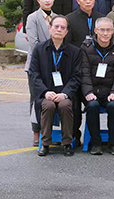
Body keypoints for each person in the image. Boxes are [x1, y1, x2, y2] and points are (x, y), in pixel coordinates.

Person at [29, 16, 80, 156]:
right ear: (49, 28)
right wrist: (45, 92)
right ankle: (45, 143)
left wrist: (65, 94)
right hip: (46, 94)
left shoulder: (75, 52)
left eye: (62, 27)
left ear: (67, 31)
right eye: (56, 26)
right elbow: (34, 74)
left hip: (65, 94)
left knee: (65, 105)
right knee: (48, 105)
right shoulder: (39, 49)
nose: (59, 30)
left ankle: (67, 143)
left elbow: (76, 77)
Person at [79, 17, 114, 155]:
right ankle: (95, 143)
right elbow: (84, 73)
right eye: (102, 30)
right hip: (91, 90)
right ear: (96, 31)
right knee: (92, 106)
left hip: (110, 91)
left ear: (113, 31)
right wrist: (88, 92)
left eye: (108, 30)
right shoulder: (86, 49)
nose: (105, 33)